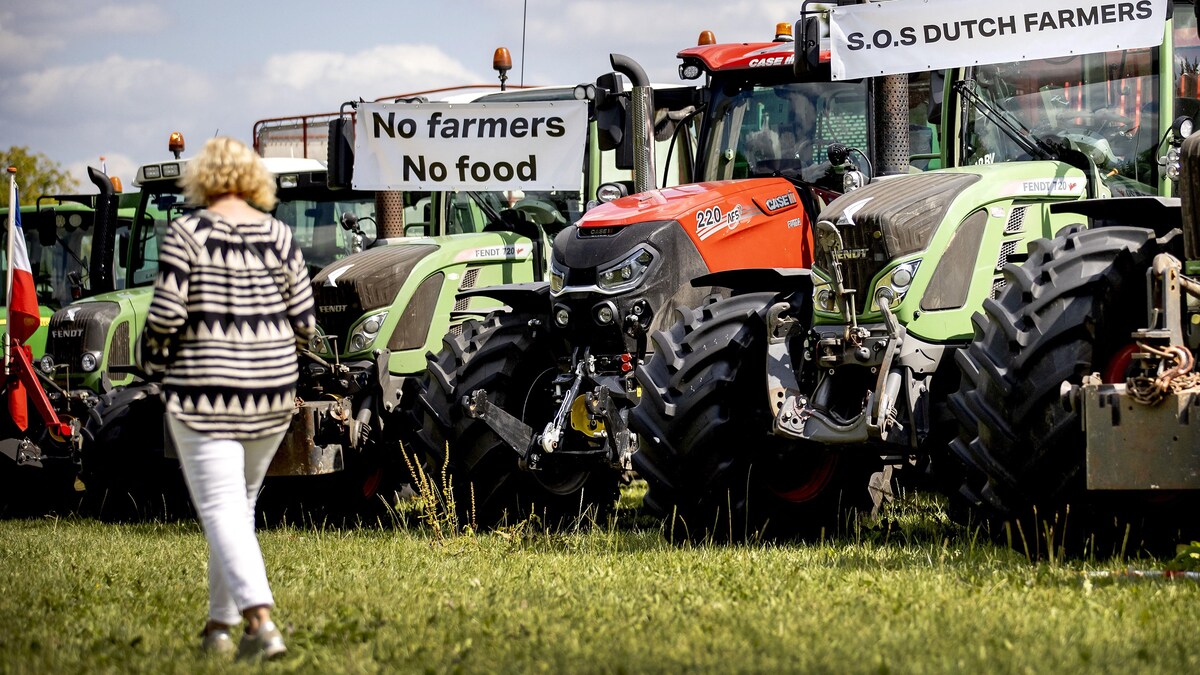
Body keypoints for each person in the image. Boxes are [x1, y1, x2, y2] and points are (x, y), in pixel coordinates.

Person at [138, 136, 315, 660]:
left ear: (203, 178)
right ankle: (218, 629)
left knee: (220, 509)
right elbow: (305, 322)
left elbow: (167, 315)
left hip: (205, 391)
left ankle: (261, 625)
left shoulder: (187, 233)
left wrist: (152, 361)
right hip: (272, 396)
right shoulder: (280, 234)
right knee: (238, 508)